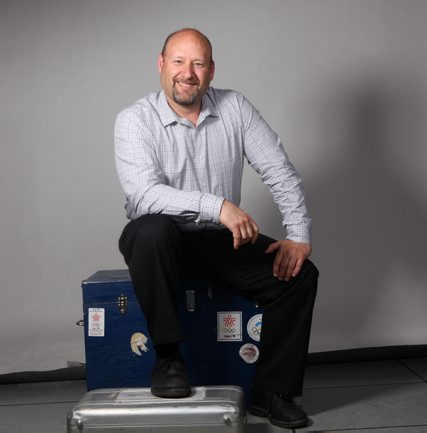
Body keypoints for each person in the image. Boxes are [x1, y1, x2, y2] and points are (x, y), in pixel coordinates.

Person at [114, 28, 318, 429]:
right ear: (161, 65)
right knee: (150, 229)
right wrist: (217, 205)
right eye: (178, 61)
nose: (187, 73)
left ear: (210, 71)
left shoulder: (235, 107)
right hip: (161, 244)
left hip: (222, 242)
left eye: (198, 63)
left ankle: (271, 393)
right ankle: (169, 359)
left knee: (299, 275)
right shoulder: (134, 119)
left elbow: (279, 169)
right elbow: (143, 195)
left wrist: (298, 236)